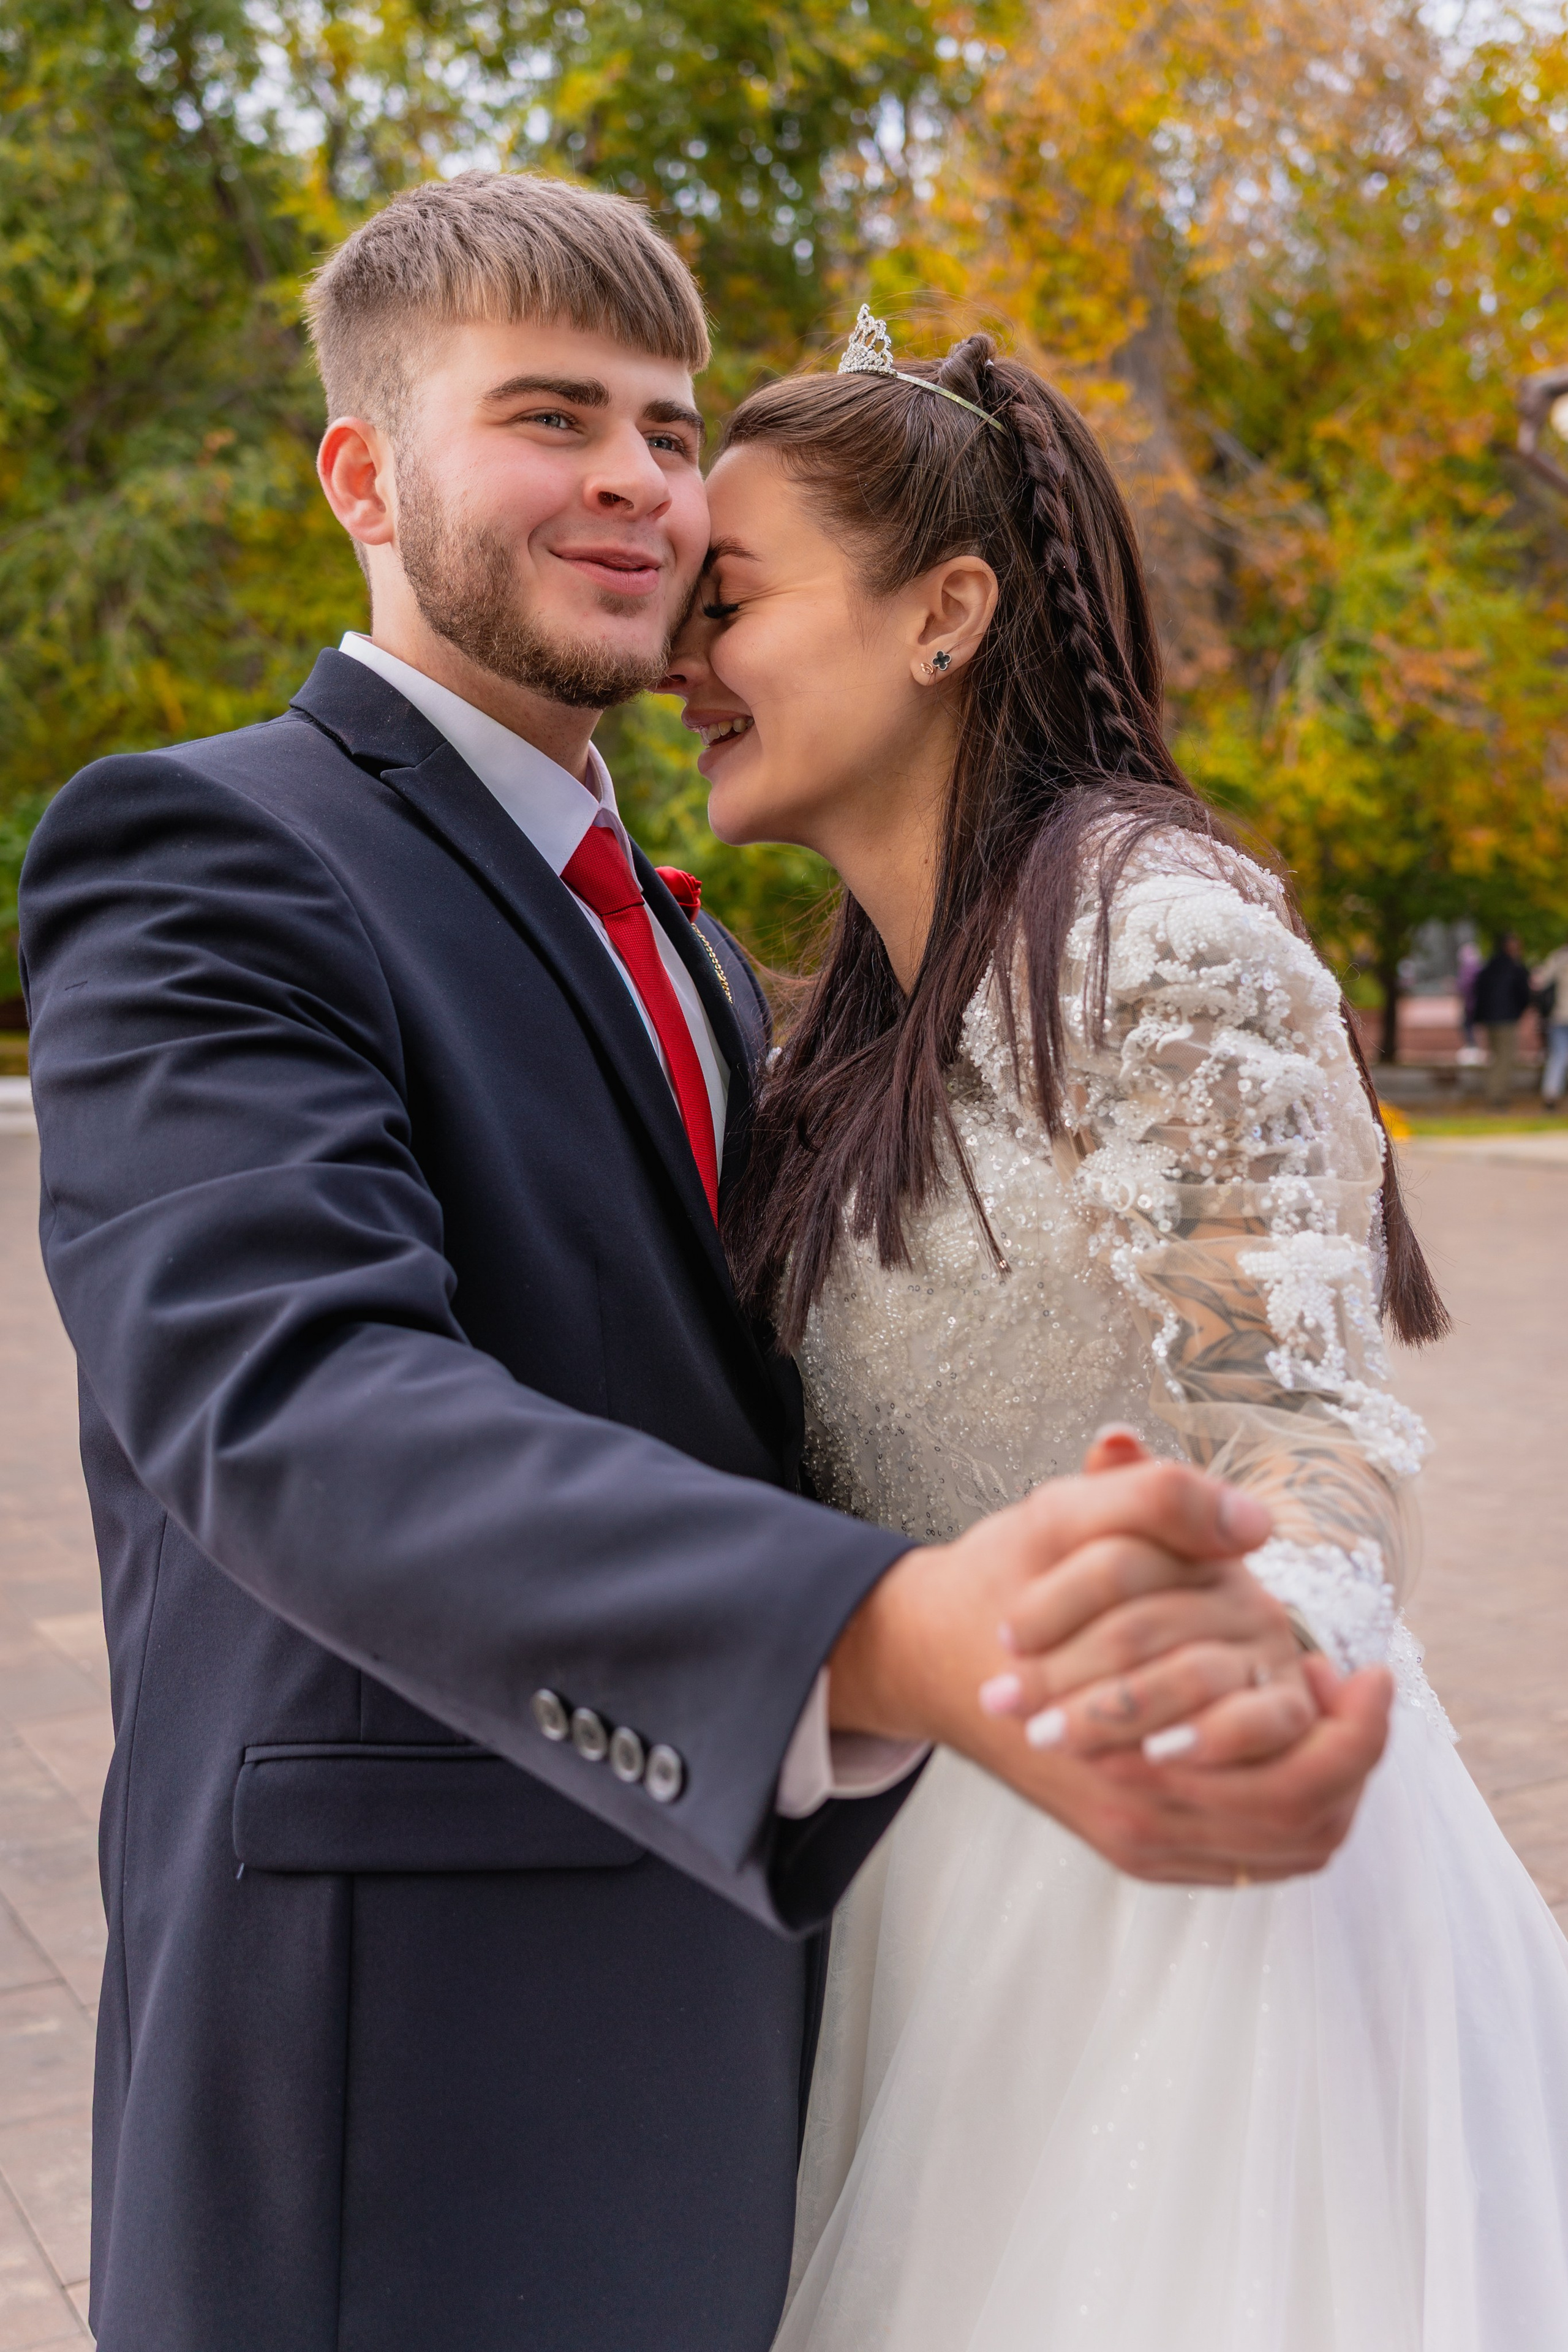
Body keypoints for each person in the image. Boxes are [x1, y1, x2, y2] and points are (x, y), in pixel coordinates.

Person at [15, 183, 1387, 2352]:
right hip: (414, 2101)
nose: (640, 485)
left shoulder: (706, 952)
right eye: (553, 418)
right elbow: (291, 1402)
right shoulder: (213, 851)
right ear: (361, 474)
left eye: (670, 431)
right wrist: (878, 1629)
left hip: (797, 2051)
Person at [663, 313, 1568, 2350]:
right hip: (924, 1889)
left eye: (734, 599)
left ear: (943, 615)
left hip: (1181, 1916)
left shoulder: (1151, 929)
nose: (678, 657)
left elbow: (1310, 1431)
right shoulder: (843, 1031)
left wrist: (1267, 1660)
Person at [1472, 930, 1535, 1102]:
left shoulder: (1490, 967)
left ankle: (1494, 1093)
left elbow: (1479, 992)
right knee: (1505, 1058)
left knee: (1496, 1057)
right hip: (1506, 1019)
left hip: (1491, 1019)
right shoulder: (1515, 968)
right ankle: (1497, 1097)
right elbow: (1524, 995)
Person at [1533, 940, 1568, 1108]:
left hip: (1559, 1015)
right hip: (1560, 1015)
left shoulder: (1557, 958)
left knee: (1558, 1056)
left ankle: (1551, 1094)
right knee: (1559, 1056)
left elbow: (1541, 982)